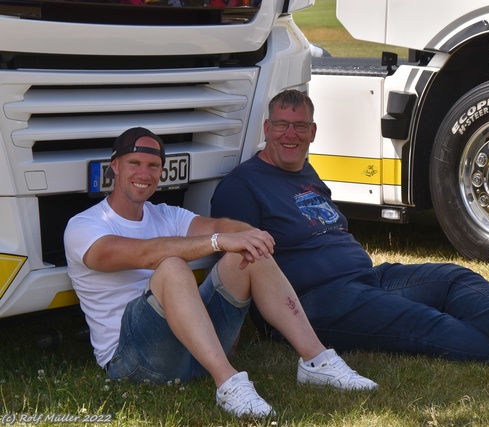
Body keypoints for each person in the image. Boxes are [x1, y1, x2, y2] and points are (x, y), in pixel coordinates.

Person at [211, 90, 489, 367]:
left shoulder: (307, 174)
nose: (290, 135)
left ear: (313, 132)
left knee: (452, 279)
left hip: (366, 279)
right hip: (314, 302)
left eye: (299, 127)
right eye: (281, 125)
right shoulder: (243, 185)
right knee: (424, 323)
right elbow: (242, 265)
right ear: (266, 128)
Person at [64, 127, 378, 419]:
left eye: (153, 166)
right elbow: (145, 254)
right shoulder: (85, 225)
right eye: (134, 163)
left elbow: (220, 226)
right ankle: (228, 384)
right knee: (171, 265)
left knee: (248, 251)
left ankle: (316, 361)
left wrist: (247, 235)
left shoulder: (166, 214)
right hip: (133, 360)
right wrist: (217, 241)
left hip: (192, 351)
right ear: (115, 166)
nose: (144, 174)